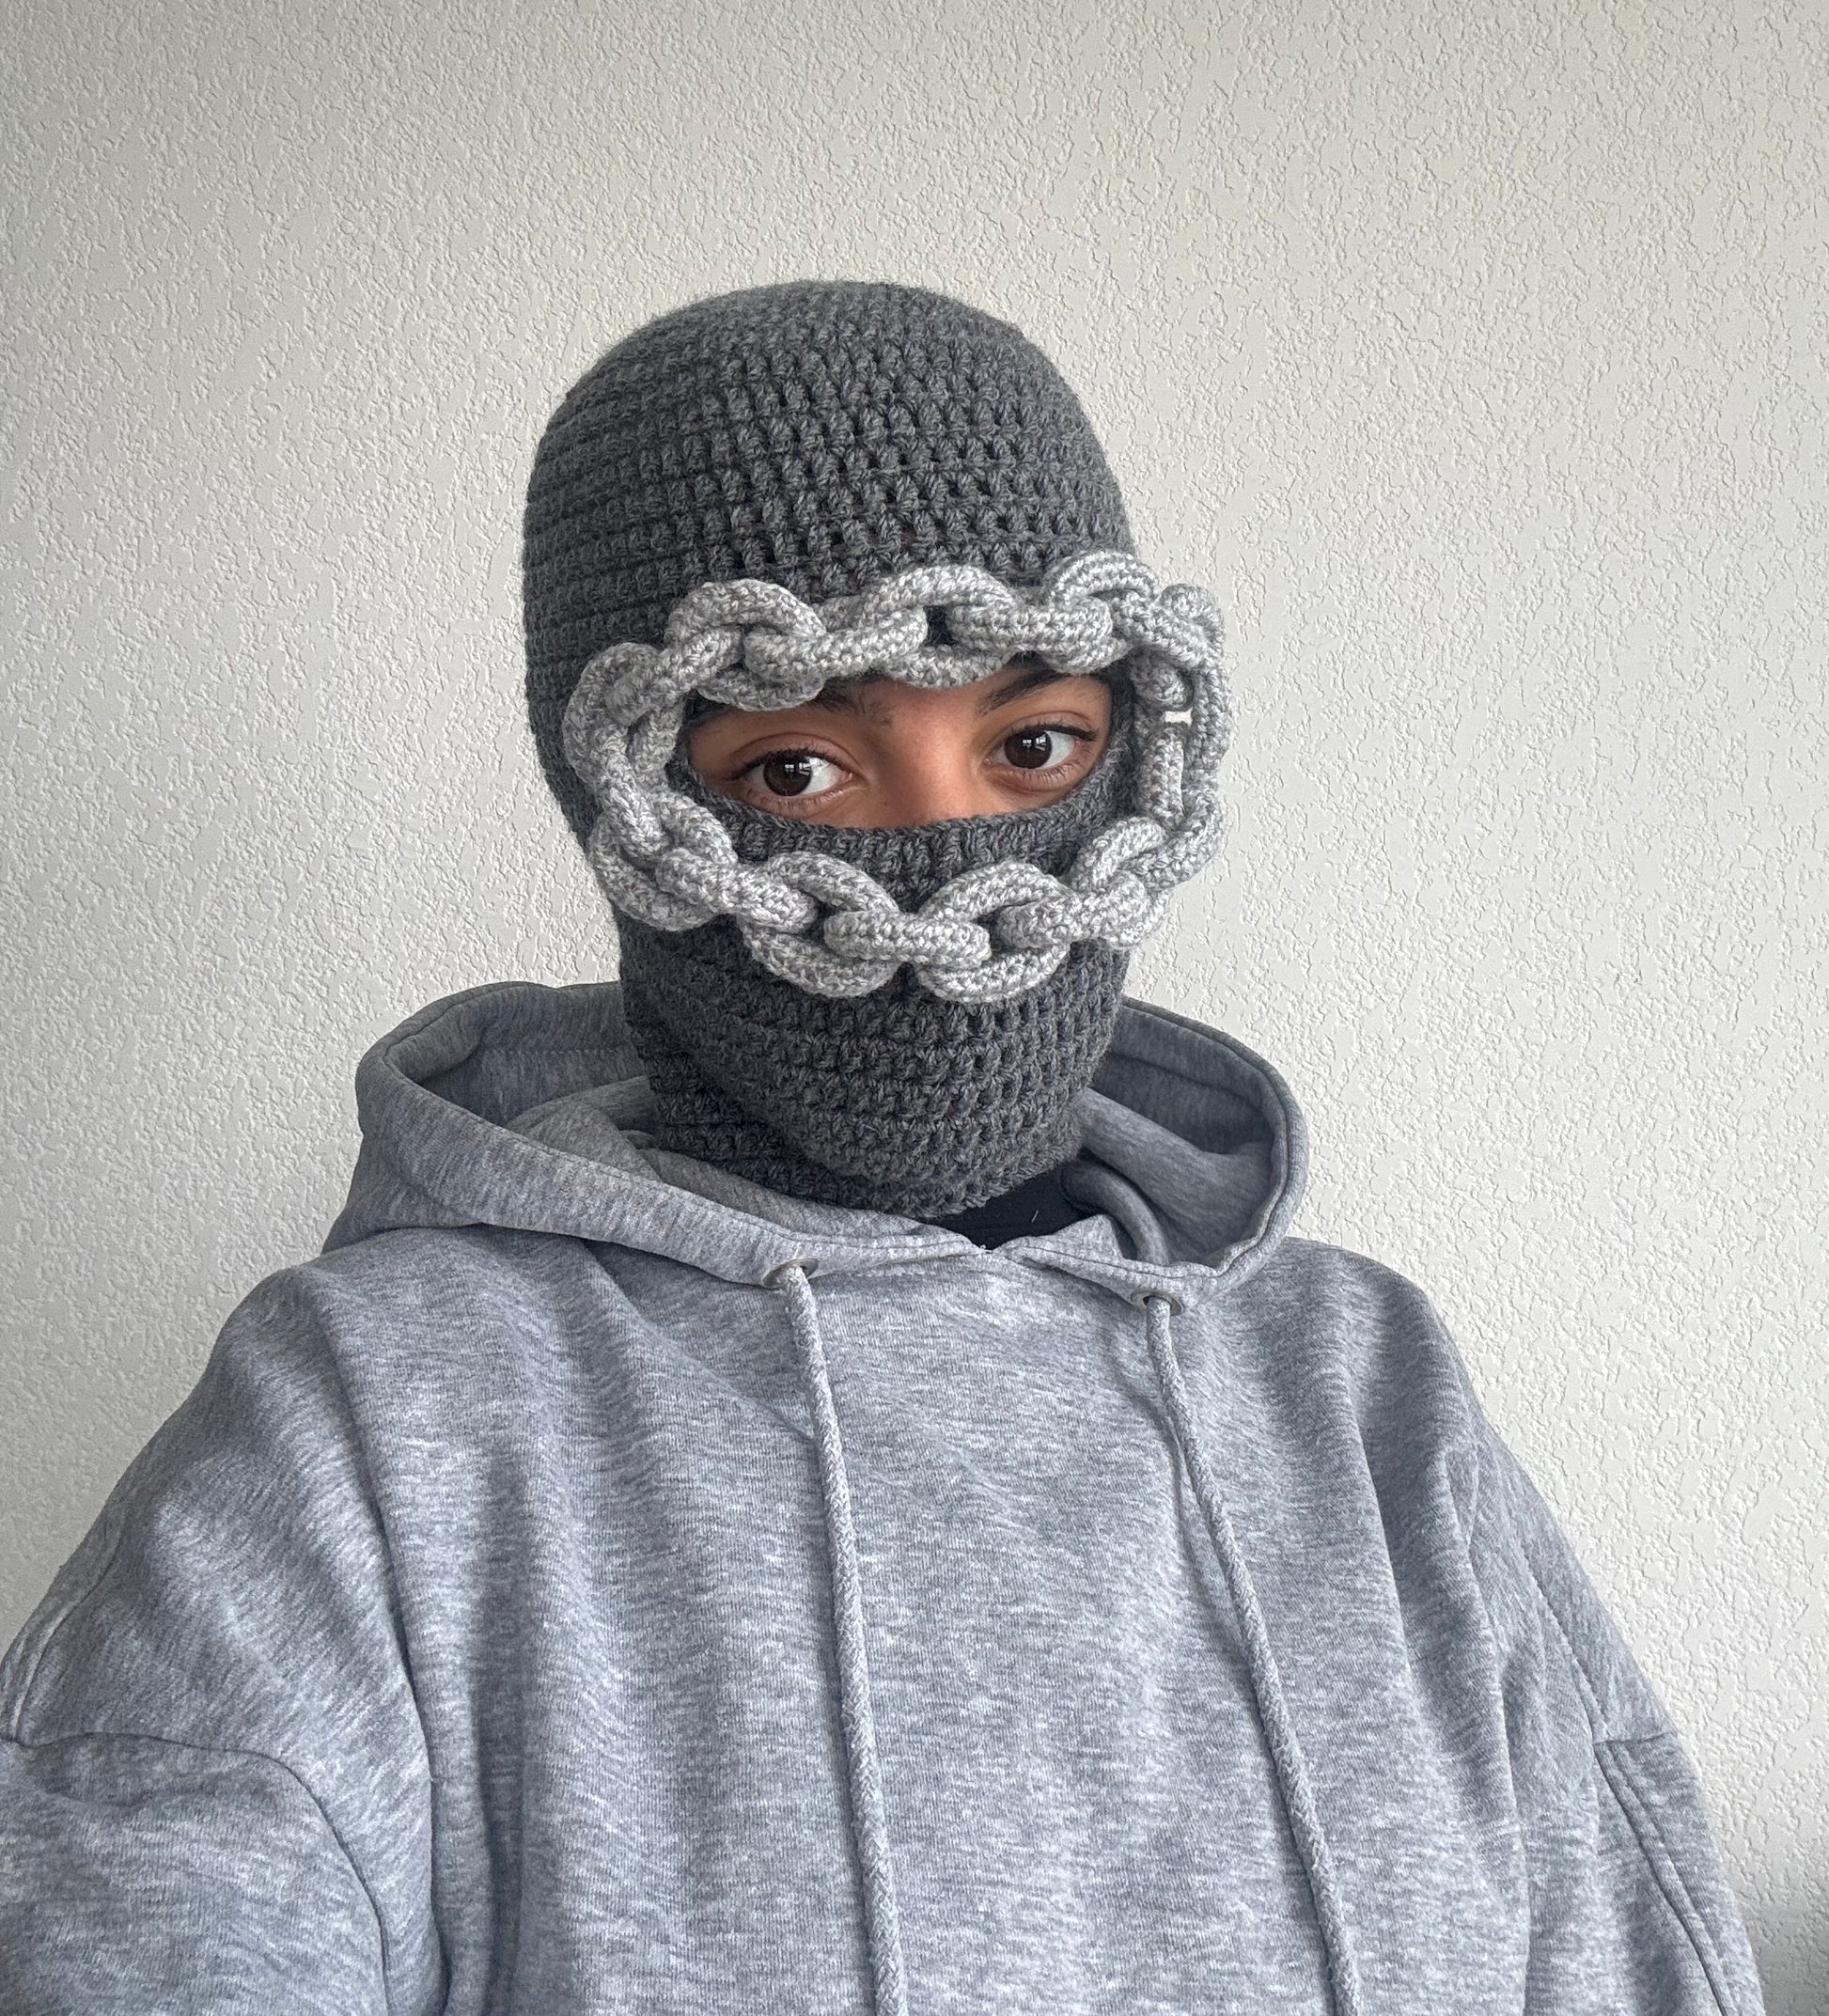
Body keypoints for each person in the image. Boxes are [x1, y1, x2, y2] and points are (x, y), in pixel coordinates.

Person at [0, 280, 1763, 2014]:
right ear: (619, 802)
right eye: (796, 772)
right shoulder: (373, 1424)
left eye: (1036, 744)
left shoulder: (1360, 1390)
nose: (950, 878)